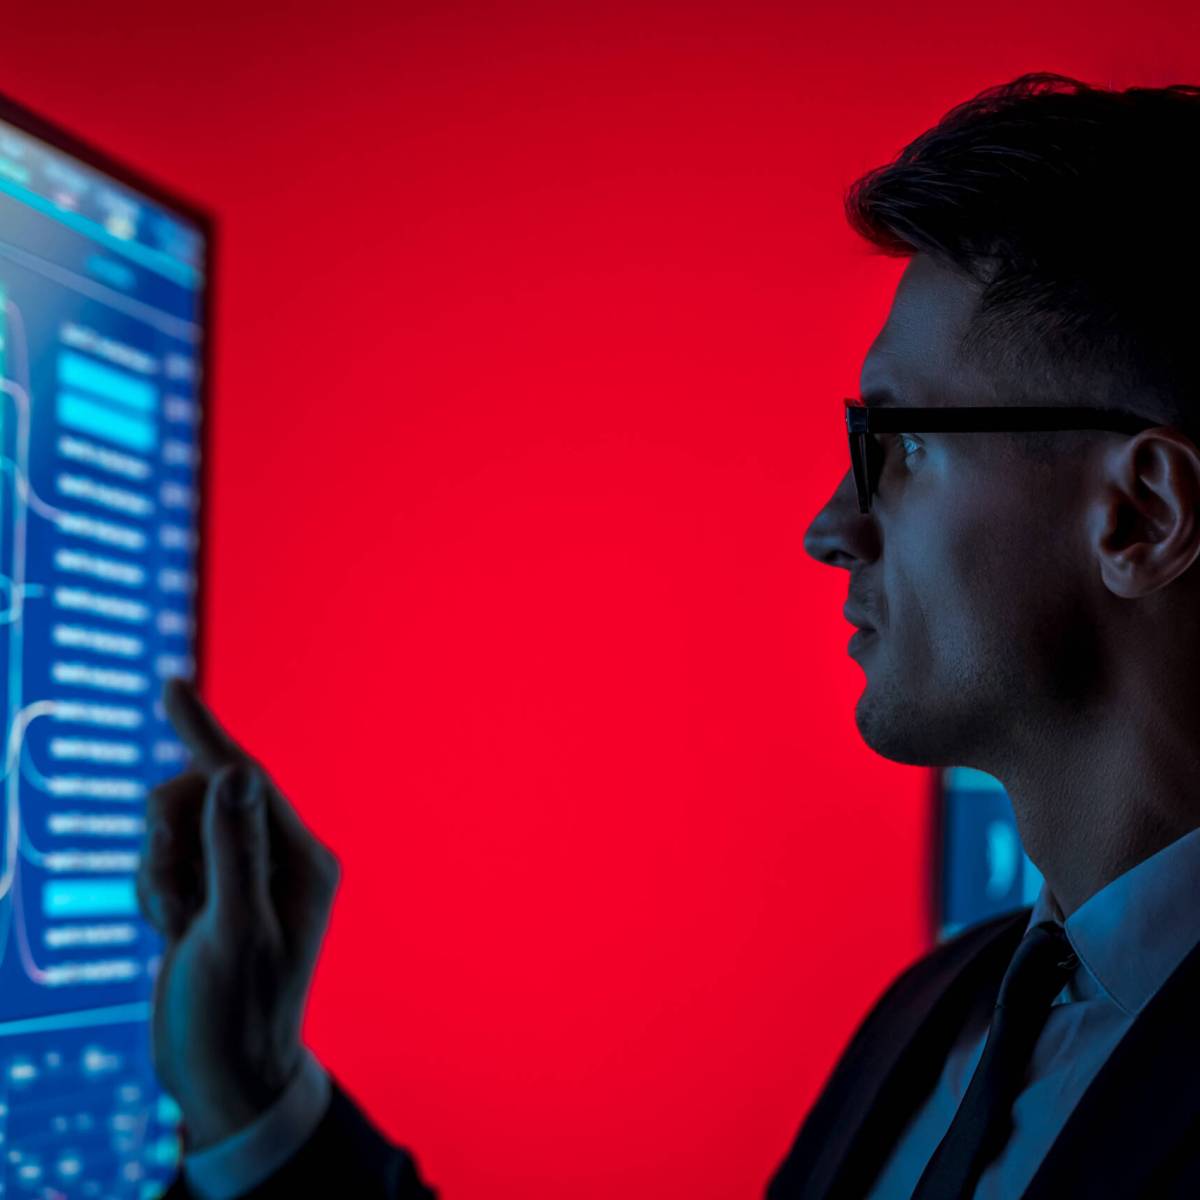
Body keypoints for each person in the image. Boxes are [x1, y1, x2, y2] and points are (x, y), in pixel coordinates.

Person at [137, 70, 1200, 1199]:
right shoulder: (938, 1017)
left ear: (1139, 515)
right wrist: (249, 1093)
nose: (829, 528)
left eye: (894, 443)